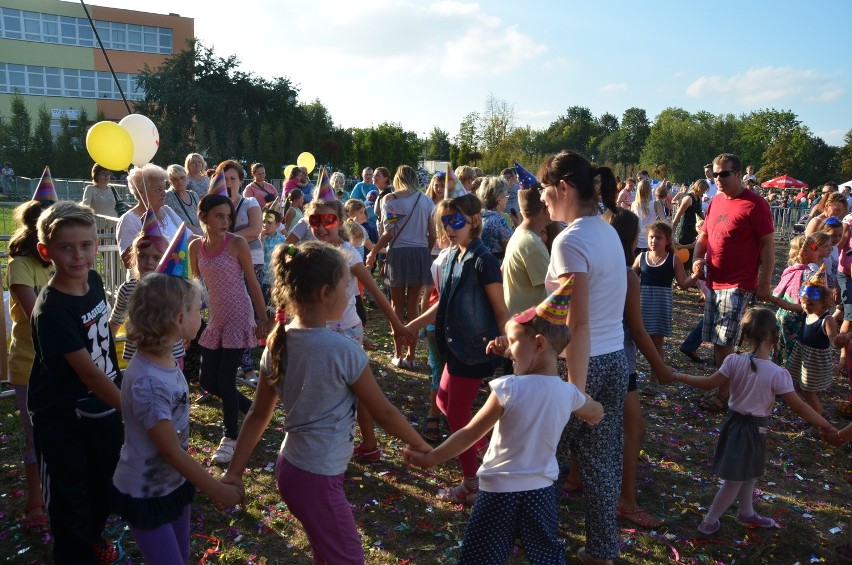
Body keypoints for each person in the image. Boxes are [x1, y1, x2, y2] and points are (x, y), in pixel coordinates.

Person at [220, 241, 432, 565]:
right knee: (347, 558)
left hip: (291, 469)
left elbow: (257, 415)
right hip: (317, 479)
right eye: (346, 287)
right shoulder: (344, 350)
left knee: (327, 554)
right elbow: (384, 412)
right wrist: (423, 447)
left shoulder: (278, 342)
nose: (350, 295)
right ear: (325, 292)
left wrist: (235, 473)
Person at [404, 279, 604, 563]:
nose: (509, 352)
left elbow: (471, 432)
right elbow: (595, 413)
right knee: (546, 555)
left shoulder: (508, 388)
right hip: (541, 493)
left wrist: (431, 458)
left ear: (538, 344)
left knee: (482, 557)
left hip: (499, 492)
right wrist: (594, 407)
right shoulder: (568, 393)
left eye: (512, 343)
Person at [112, 274, 244, 563]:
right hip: (147, 494)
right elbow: (170, 451)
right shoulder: (149, 383)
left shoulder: (162, 358)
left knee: (180, 556)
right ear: (179, 318)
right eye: (200, 309)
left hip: (172, 484)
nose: (203, 314)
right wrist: (217, 490)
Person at [672, 307, 837, 536]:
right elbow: (799, 406)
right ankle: (709, 521)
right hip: (751, 429)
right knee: (735, 480)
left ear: (746, 335)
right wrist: (824, 424)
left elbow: (709, 383)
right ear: (774, 336)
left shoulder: (733, 360)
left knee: (749, 472)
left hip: (733, 424)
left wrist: (679, 375)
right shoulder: (777, 373)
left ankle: (746, 513)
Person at [538, 150, 626, 565]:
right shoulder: (606, 231)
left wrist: (574, 391)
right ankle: (601, 551)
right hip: (614, 359)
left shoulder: (570, 240)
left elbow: (578, 324)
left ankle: (541, 543)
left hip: (584, 363)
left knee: (546, 460)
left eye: (545, 189)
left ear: (564, 188)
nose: (542, 199)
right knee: (601, 462)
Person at [29, 202, 124, 563]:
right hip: (63, 418)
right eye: (66, 248)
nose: (78, 255)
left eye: (85, 245)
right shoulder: (52, 309)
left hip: (101, 405)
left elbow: (103, 348)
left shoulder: (95, 281)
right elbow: (86, 373)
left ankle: (92, 540)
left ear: (96, 245)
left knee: (104, 481)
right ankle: (73, 553)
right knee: (71, 495)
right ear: (45, 251)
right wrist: (129, 406)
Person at [405, 194, 509, 504]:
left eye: (456, 222)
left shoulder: (484, 261)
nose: (450, 229)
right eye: (445, 222)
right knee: (443, 399)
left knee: (456, 411)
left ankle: (472, 483)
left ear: (474, 221)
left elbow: (500, 309)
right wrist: (413, 325)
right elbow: (441, 305)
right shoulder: (451, 256)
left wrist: (504, 336)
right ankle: (495, 453)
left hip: (475, 350)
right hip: (453, 346)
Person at [305, 198, 413, 462]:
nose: (321, 227)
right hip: (318, 330)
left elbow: (374, 290)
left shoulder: (347, 254)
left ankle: (368, 443)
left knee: (357, 390)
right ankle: (348, 442)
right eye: (314, 221)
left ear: (339, 222)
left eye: (328, 220)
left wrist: (397, 325)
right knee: (327, 390)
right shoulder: (309, 250)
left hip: (345, 330)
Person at [188, 193, 270, 465]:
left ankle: (231, 437)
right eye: (218, 216)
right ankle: (253, 410)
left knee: (224, 379)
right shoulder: (195, 247)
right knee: (209, 381)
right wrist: (190, 319)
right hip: (216, 317)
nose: (225, 221)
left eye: (228, 216)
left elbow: (253, 283)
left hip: (239, 314)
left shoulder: (236, 243)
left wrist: (262, 318)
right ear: (204, 218)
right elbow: (197, 287)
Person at [692, 153, 775, 410]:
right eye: (715, 174)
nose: (718, 178)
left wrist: (765, 282)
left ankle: (724, 394)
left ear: (739, 174)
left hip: (739, 283)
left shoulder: (755, 204)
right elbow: (704, 237)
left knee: (726, 341)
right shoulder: (716, 202)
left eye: (724, 174)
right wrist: (697, 259)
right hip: (715, 281)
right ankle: (725, 389)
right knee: (717, 340)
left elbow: (768, 246)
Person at [6, 200, 52, 535]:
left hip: (63, 363)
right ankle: (35, 501)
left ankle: (60, 494)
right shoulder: (20, 266)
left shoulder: (59, 263)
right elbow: (38, 315)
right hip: (29, 365)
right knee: (36, 438)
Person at [365, 165, 436, 368]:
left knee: (396, 306)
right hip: (420, 252)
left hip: (399, 254)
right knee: (413, 306)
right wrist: (424, 250)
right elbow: (432, 234)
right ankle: (412, 356)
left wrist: (374, 251)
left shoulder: (392, 200)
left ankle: (398, 354)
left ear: (397, 178)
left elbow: (390, 232)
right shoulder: (426, 200)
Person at [214, 160, 264, 377]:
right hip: (225, 263)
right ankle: (230, 358)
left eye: (232, 178)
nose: (228, 183)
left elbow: (255, 229)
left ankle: (247, 363)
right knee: (229, 309)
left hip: (252, 259)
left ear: (241, 181)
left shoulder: (250, 202)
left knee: (247, 309)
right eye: (224, 179)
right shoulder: (216, 206)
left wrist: (226, 239)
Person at [109, 232, 186, 369]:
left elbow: (185, 318)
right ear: (134, 257)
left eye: (156, 258)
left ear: (167, 259)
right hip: (138, 355)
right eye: (143, 256)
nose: (149, 261)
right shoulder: (127, 289)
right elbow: (116, 320)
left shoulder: (174, 288)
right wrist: (104, 342)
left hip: (170, 354)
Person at [632, 221, 696, 381]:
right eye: (651, 237)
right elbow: (630, 278)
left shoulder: (673, 260)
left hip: (661, 305)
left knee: (657, 342)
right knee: (637, 338)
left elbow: (683, 284)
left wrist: (695, 276)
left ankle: (656, 375)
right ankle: (632, 373)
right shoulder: (641, 257)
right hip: (643, 304)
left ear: (667, 240)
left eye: (658, 238)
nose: (654, 241)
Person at [785, 272, 841, 426]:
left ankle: (821, 419)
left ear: (824, 303)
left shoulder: (827, 320)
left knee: (808, 391)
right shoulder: (807, 312)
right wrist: (772, 299)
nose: (805, 306)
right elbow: (788, 305)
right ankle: (812, 415)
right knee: (801, 387)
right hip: (802, 355)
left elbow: (834, 342)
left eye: (810, 304)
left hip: (815, 361)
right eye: (803, 302)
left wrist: (841, 340)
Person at [116, 164, 183, 268]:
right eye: (158, 189)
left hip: (174, 278)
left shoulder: (167, 211)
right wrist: (145, 233)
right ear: (142, 193)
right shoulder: (129, 219)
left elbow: (189, 237)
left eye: (164, 188)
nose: (164, 193)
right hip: (147, 280)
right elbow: (128, 262)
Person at [770, 235, 818, 367]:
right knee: (794, 351)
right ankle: (790, 379)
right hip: (796, 317)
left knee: (777, 347)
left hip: (781, 314)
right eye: (815, 248)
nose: (818, 251)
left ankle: (772, 372)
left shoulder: (789, 270)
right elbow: (808, 302)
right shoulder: (810, 274)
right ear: (806, 254)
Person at [502, 187, 551, 316]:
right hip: (530, 325)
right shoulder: (532, 244)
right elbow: (554, 289)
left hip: (521, 321)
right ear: (545, 208)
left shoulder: (521, 234)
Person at [477, 176, 513, 260]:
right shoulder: (498, 221)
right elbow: (512, 249)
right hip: (497, 267)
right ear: (499, 199)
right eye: (506, 195)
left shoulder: (479, 216)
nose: (508, 198)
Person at [671, 179, 708, 260]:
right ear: (699, 188)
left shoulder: (698, 198)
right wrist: (672, 235)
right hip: (684, 230)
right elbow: (677, 217)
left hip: (693, 229)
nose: (704, 193)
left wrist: (708, 222)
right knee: (683, 256)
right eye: (703, 191)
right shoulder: (688, 198)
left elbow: (699, 212)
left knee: (691, 255)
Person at [164, 164, 202, 236]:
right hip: (184, 236)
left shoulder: (193, 194)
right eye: (175, 179)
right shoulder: (168, 196)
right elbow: (172, 222)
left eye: (182, 178)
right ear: (169, 182)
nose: (180, 182)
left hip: (202, 233)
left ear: (187, 178)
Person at [80, 164, 119, 230]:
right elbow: (85, 206)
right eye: (103, 173)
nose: (106, 176)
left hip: (114, 225)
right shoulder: (90, 189)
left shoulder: (112, 189)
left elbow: (120, 203)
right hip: (98, 227)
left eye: (108, 173)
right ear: (96, 175)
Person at [261, 207, 286, 306]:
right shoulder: (259, 238)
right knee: (265, 305)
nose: (265, 225)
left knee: (277, 306)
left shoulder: (283, 239)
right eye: (264, 222)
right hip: (263, 280)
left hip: (277, 279)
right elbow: (259, 257)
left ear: (278, 224)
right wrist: (261, 241)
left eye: (269, 223)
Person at [631, 179, 663, 253]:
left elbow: (632, 223)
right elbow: (663, 221)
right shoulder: (656, 204)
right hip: (651, 240)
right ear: (649, 190)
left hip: (637, 241)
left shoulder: (634, 204)